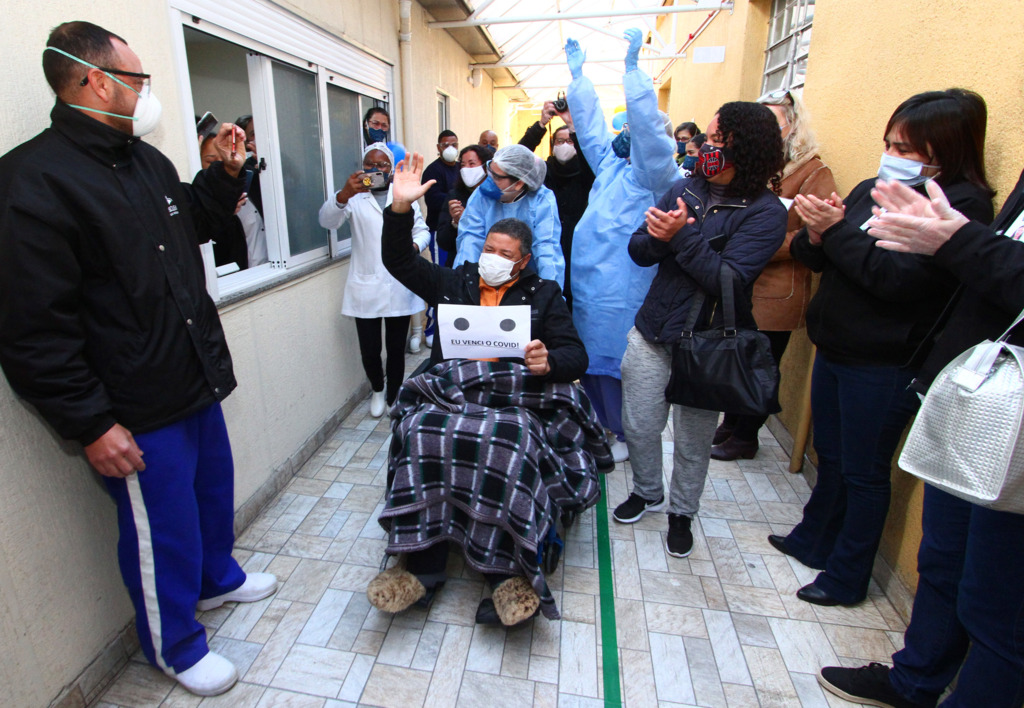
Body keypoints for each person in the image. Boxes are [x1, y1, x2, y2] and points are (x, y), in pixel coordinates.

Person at [0, 22, 277, 697]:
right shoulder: (32, 181)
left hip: (190, 378)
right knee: (163, 529)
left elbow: (190, 230)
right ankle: (175, 645)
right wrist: (90, 422)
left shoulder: (144, 161)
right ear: (94, 81)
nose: (146, 91)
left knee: (211, 493)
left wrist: (222, 175)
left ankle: (217, 579)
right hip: (132, 402)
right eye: (137, 78)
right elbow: (33, 327)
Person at [773, 89, 995, 609]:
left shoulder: (962, 207)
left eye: (908, 148)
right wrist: (817, 232)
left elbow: (899, 281)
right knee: (831, 455)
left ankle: (848, 575)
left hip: (884, 362)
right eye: (889, 143)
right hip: (837, 348)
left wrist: (838, 235)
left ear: (947, 150)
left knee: (865, 472)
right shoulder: (876, 187)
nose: (893, 155)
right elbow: (818, 255)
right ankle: (814, 536)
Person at [816, 176, 1024, 708]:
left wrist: (958, 242)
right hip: (974, 397)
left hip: (1014, 423)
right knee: (944, 560)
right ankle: (914, 680)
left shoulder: (968, 198)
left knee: (999, 612)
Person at [370, 153, 602, 626]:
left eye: (505, 255)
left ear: (525, 261)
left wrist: (549, 359)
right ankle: (422, 566)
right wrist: (398, 210)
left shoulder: (543, 295)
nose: (492, 260)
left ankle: (508, 574)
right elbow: (397, 260)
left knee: (508, 443)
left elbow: (576, 355)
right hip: (454, 393)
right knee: (421, 433)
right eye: (488, 250)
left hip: (513, 399)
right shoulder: (457, 282)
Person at [613, 102, 789, 559]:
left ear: (746, 151)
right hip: (653, 329)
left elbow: (727, 279)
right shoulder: (683, 188)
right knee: (640, 424)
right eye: (708, 140)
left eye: (719, 143)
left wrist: (681, 238)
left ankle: (681, 513)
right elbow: (638, 249)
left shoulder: (767, 213)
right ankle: (649, 491)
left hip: (707, 342)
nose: (707, 150)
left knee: (692, 441)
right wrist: (655, 237)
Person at [564, 30, 681, 462]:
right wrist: (578, 79)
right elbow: (592, 131)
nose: (626, 134)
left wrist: (633, 73)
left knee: (626, 364)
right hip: (593, 285)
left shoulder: (656, 175)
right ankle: (600, 428)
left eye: (632, 127)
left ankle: (628, 433)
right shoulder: (613, 164)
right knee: (593, 360)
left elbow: (649, 134)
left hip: (628, 287)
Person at [710, 89, 836, 461]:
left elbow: (818, 230)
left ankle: (747, 434)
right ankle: (733, 423)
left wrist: (758, 243)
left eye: (774, 122)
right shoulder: (759, 168)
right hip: (741, 282)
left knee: (760, 363)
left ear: (793, 127)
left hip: (776, 287)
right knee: (737, 357)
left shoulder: (813, 172)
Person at [318, 143, 429, 417]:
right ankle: (377, 389)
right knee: (369, 349)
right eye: (371, 164)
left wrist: (412, 249)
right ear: (363, 167)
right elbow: (327, 221)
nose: (376, 169)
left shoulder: (402, 195)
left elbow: (423, 230)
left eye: (382, 165)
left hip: (398, 284)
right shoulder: (354, 198)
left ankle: (393, 394)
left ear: (391, 169)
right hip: (365, 286)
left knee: (395, 347)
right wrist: (343, 194)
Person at [453, 144, 565, 287]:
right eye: (490, 171)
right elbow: (470, 242)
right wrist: (461, 285)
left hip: (528, 281)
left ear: (519, 183)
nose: (489, 181)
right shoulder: (481, 196)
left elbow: (547, 250)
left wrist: (551, 295)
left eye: (497, 177)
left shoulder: (542, 200)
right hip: (486, 279)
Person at [519, 100, 596, 308]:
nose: (564, 145)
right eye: (559, 141)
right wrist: (541, 124)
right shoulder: (543, 171)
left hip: (578, 246)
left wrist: (573, 126)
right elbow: (518, 157)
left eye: (569, 141)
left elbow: (590, 154)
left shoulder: (587, 173)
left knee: (573, 297)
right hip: (543, 244)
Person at [198, 131, 268, 271]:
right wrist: (224, 210)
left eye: (224, 160)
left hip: (267, 270)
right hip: (236, 280)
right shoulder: (200, 205)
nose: (218, 167)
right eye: (210, 162)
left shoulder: (251, 180)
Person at [417, 130, 461, 351]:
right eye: (446, 144)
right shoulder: (433, 171)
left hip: (461, 233)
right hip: (439, 232)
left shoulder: (463, 168)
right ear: (438, 147)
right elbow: (433, 200)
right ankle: (432, 328)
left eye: (454, 144)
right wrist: (458, 198)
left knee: (458, 276)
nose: (451, 148)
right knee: (440, 276)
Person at [435, 144, 491, 267]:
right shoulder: (454, 196)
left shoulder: (495, 196)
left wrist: (468, 220)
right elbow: (443, 241)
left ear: (486, 167)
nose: (466, 169)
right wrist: (455, 222)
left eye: (471, 164)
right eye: (463, 165)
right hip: (460, 267)